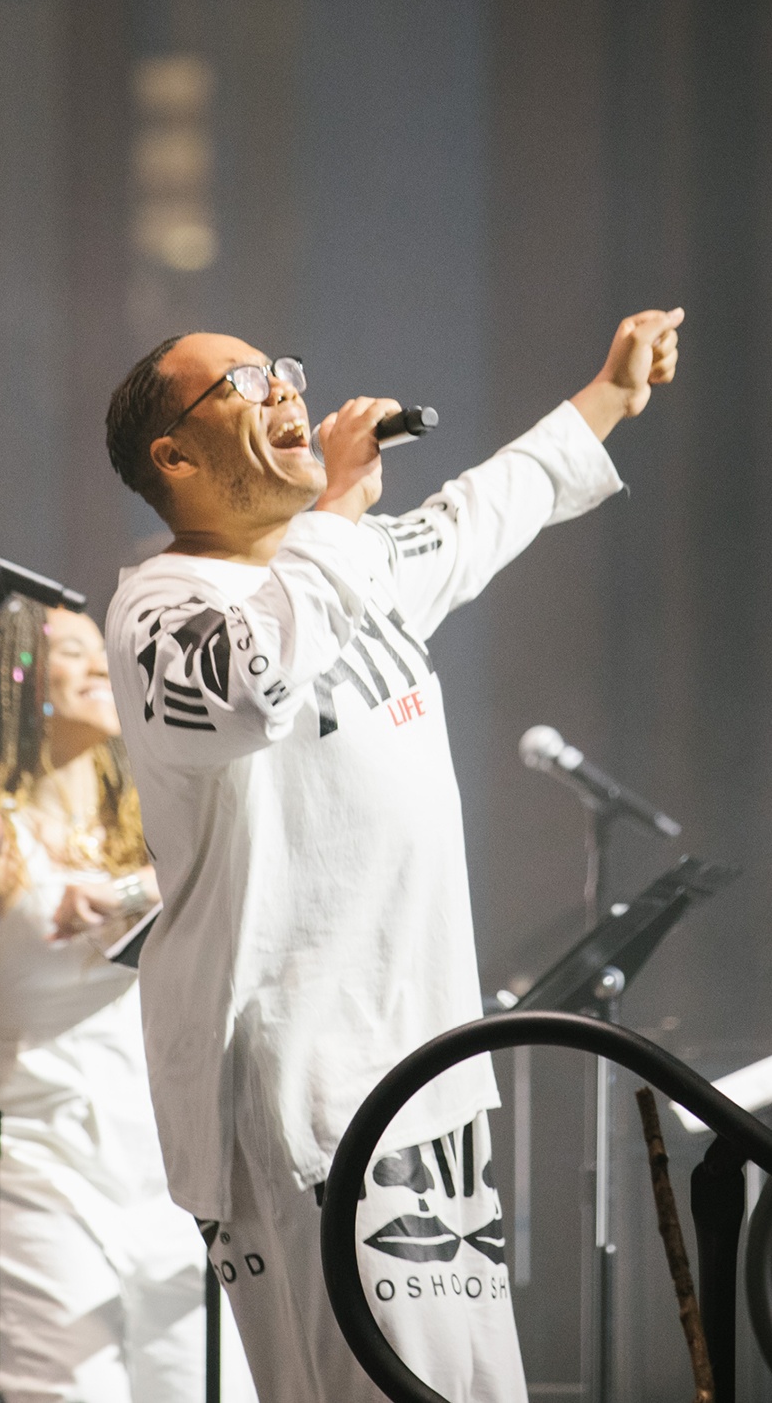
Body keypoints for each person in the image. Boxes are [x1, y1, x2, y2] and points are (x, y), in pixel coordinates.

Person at [102, 312, 683, 1403]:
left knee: (468, 1388)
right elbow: (248, 689)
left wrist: (610, 391)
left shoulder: (348, 566)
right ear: (173, 455)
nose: (282, 391)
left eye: (283, 371)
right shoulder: (159, 608)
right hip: (299, 1091)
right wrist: (331, 517)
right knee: (368, 1387)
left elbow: (484, 510)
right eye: (241, 383)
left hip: (425, 1074)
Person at [0, 599, 255, 1403]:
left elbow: (237, 870)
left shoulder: (154, 824)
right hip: (29, 1152)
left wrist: (128, 888)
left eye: (107, 652)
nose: (105, 665)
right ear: (17, 678)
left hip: (163, 1155)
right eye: (77, 652)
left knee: (209, 1385)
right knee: (67, 1390)